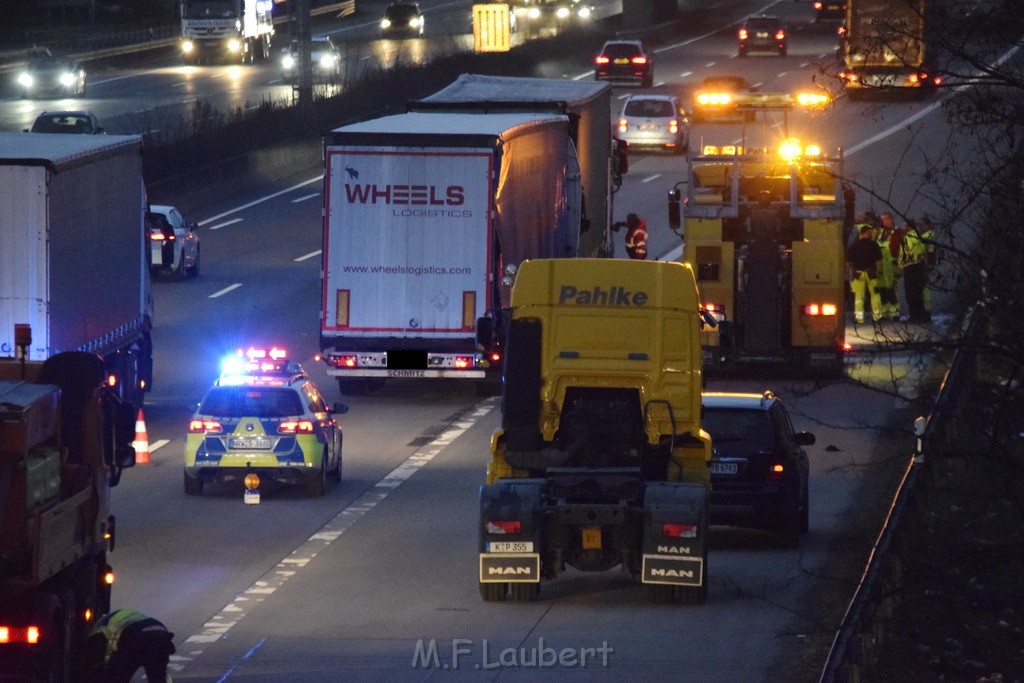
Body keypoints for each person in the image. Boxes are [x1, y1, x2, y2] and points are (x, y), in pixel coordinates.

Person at [85, 609, 176, 683]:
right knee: (157, 678)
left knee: (116, 679)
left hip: (135, 638)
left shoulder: (96, 635)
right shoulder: (110, 621)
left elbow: (96, 668)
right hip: (161, 633)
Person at [846, 223, 883, 324]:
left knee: (858, 296)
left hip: (858, 274)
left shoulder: (854, 245)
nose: (872, 234)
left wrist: (848, 273)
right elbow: (879, 261)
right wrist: (879, 272)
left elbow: (848, 262)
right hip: (872, 274)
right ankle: (877, 317)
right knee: (875, 295)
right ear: (866, 232)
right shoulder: (874, 244)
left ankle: (859, 318)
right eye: (870, 232)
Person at [901, 216, 935, 323]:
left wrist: (929, 264)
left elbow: (929, 252)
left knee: (917, 292)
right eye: (919, 225)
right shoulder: (919, 236)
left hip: (917, 266)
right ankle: (921, 315)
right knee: (919, 291)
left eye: (922, 225)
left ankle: (920, 315)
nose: (920, 227)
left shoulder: (925, 236)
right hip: (918, 265)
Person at [875, 212, 901, 321]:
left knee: (892, 289)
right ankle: (884, 313)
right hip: (881, 265)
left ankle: (895, 313)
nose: (884, 222)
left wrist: (900, 266)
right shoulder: (880, 232)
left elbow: (900, 249)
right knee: (882, 290)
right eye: (882, 220)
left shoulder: (897, 232)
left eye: (885, 219)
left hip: (891, 264)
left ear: (891, 220)